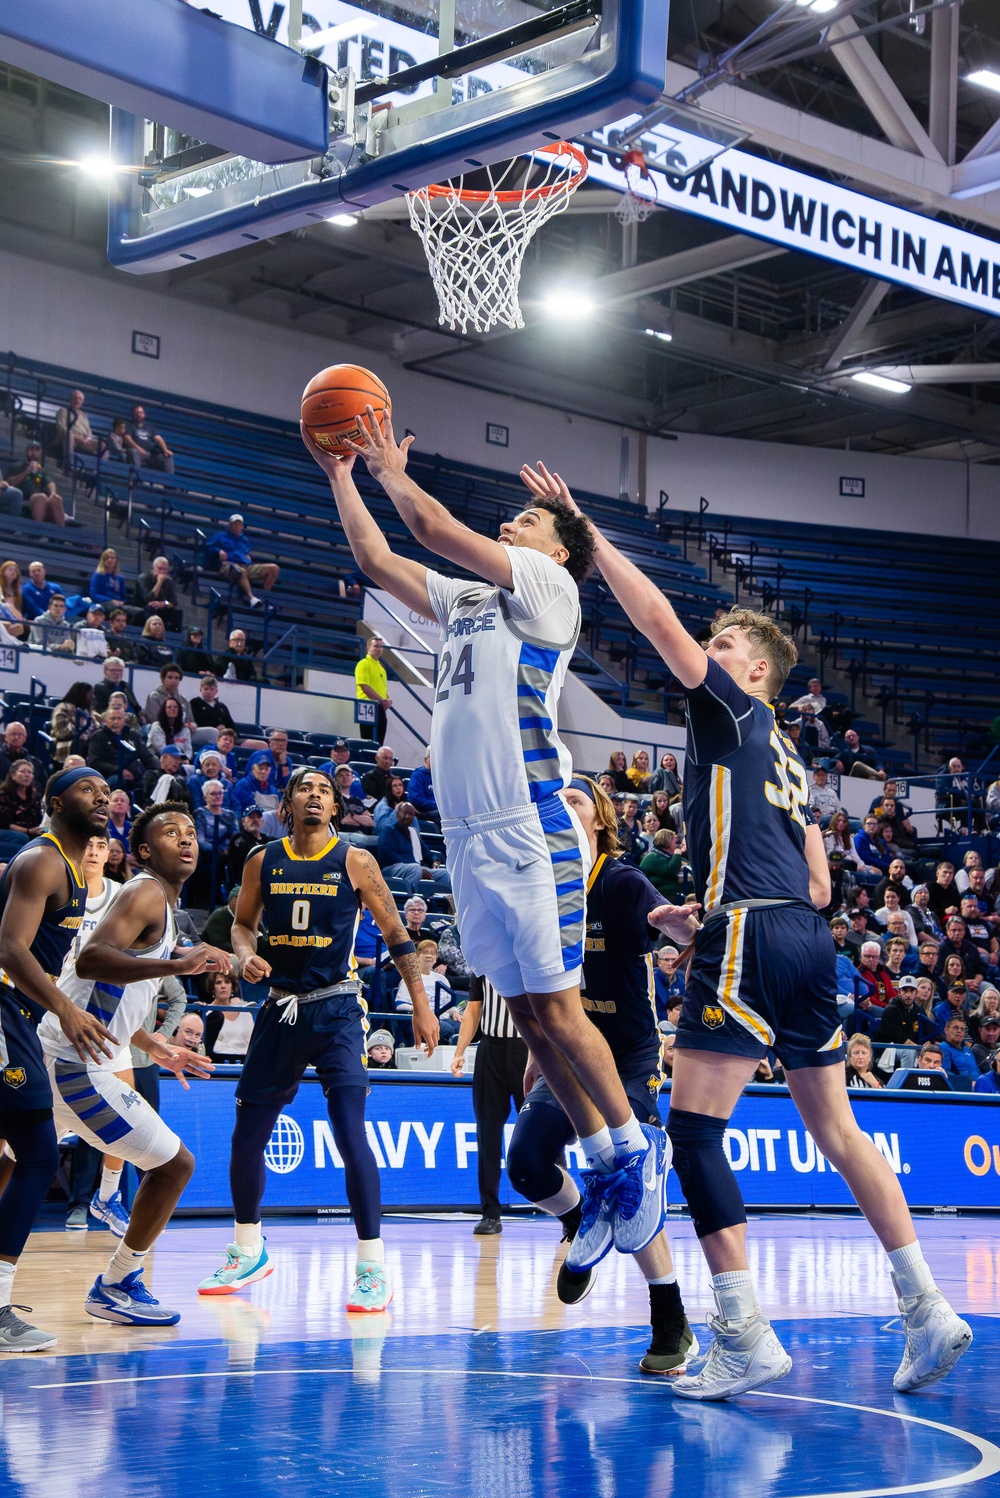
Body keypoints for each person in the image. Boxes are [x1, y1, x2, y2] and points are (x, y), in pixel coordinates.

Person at [540, 463, 971, 1399]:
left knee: (692, 1135)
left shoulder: (732, 707)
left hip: (749, 940)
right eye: (715, 638)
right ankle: (928, 1308)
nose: (709, 643)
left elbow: (654, 619)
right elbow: (817, 885)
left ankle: (742, 1333)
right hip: (807, 947)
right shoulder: (795, 758)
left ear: (759, 671)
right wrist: (723, 904)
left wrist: (586, 534)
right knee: (839, 1128)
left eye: (726, 640)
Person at [306, 417, 672, 1290]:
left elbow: (430, 528)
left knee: (558, 1004)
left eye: (531, 519)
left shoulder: (551, 589)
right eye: (514, 518)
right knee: (533, 1020)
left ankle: (628, 1157)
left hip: (525, 823)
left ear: (560, 550)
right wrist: (342, 476)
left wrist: (395, 467)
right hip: (467, 837)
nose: (515, 523)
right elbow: (379, 562)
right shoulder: (472, 601)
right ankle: (600, 1157)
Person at [198, 767, 438, 1308]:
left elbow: (398, 935)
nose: (314, 795)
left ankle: (372, 1266)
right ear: (287, 803)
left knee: (350, 1130)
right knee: (247, 1134)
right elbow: (240, 924)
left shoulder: (356, 859)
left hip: (336, 1010)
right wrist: (244, 954)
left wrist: (421, 1005)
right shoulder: (263, 859)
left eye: (325, 790)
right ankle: (247, 1248)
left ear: (335, 806)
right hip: (280, 1009)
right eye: (305, 788)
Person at [506, 776, 698, 1373]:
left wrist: (677, 927)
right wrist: (536, 1048)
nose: (563, 806)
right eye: (555, 800)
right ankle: (578, 1217)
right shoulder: (537, 888)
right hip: (564, 1060)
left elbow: (669, 926)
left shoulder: (620, 881)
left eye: (578, 800)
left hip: (627, 1059)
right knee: (526, 1165)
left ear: (600, 823)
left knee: (629, 1179)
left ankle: (670, 1316)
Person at [49, 803, 225, 1324]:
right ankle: (118, 1282)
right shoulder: (146, 890)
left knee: (13, 1161)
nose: (186, 840)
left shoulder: (164, 908)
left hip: (65, 1053)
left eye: (191, 833)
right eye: (171, 833)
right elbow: (91, 960)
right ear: (146, 851)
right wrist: (175, 965)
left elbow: (113, 990)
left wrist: (153, 1045)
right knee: (175, 1166)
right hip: (75, 1062)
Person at [0, 767, 119, 1350]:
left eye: (105, 790)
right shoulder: (42, 861)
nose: (100, 796)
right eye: (85, 788)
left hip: (18, 1013)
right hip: (2, 1006)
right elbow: (9, 947)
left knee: (19, 1153)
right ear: (54, 803)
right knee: (38, 1152)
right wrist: (66, 1013)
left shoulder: (73, 873)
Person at [451, 974, 529, 1235]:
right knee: (487, 1134)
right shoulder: (481, 963)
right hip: (490, 1050)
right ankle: (490, 1214)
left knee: (541, 1129)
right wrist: (460, 1051)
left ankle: (568, 1211)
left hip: (528, 1049)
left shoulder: (530, 951)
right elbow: (474, 1008)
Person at [377, 800, 451, 896]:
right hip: (392, 868)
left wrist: (434, 862)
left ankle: (446, 903)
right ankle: (410, 898)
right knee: (415, 869)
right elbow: (388, 855)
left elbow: (428, 854)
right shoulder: (389, 830)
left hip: (415, 868)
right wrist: (416, 868)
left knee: (445, 874)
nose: (407, 816)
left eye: (411, 814)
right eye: (405, 813)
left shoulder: (413, 833)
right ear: (398, 814)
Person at [206, 514, 279, 609]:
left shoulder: (244, 540)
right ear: (230, 525)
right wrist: (218, 550)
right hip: (228, 565)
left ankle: (265, 598)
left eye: (239, 524)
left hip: (245, 565)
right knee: (240, 571)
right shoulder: (220, 535)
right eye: (234, 524)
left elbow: (245, 553)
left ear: (242, 526)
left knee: (274, 568)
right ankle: (251, 598)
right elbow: (208, 546)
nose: (237, 526)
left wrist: (247, 558)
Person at [87, 704, 157, 792]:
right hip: (108, 777)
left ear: (124, 720)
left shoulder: (133, 735)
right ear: (105, 720)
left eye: (119, 718)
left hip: (134, 777)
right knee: (118, 780)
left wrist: (158, 771)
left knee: (152, 782)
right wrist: (119, 770)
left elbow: (146, 757)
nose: (116, 722)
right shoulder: (97, 737)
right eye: (112, 718)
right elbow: (95, 763)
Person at [192, 781, 238, 907]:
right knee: (222, 860)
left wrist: (230, 849)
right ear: (205, 797)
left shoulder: (230, 814)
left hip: (229, 852)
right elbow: (200, 841)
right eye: (213, 794)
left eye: (220, 793)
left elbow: (236, 837)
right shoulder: (200, 813)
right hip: (209, 853)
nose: (217, 796)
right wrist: (219, 851)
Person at [8, 442, 66, 525]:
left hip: (43, 496)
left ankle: (62, 533)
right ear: (27, 451)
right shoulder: (17, 466)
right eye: (31, 450)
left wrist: (53, 493)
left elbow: (50, 483)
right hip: (25, 497)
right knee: (41, 497)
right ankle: (37, 532)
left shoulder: (41, 470)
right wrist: (25, 473)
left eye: (36, 450)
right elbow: (10, 483)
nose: (34, 453)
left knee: (57, 498)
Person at [203, 973, 254, 1062]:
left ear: (232, 987)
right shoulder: (207, 1013)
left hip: (244, 1061)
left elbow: (251, 1043)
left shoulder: (246, 1014)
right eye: (218, 983)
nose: (223, 986)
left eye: (227, 982)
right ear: (212, 988)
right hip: (217, 1060)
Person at [49, 683, 97, 765]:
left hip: (89, 743)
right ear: (81, 694)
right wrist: (80, 723)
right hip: (66, 745)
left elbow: (97, 728)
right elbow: (61, 733)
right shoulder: (63, 708)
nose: (93, 697)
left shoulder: (90, 712)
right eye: (90, 694)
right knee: (81, 743)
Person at [355, 635, 391, 744]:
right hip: (368, 706)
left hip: (379, 707)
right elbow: (364, 686)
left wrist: (388, 699)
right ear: (368, 648)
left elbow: (382, 688)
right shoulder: (363, 664)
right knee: (368, 740)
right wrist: (382, 700)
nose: (379, 649)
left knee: (379, 741)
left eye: (381, 647)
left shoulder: (381, 668)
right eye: (376, 646)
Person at [137, 556, 182, 633]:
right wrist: (159, 582)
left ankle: (174, 637)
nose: (163, 572)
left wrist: (164, 603)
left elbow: (174, 602)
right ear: (153, 567)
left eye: (165, 569)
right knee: (152, 607)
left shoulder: (169, 580)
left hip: (161, 608)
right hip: (143, 606)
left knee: (178, 612)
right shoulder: (143, 578)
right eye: (160, 568)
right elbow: (149, 599)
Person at [144, 663, 194, 727]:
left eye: (177, 678)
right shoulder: (154, 696)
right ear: (162, 679)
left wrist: (192, 726)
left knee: (210, 731)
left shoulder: (184, 700)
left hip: (183, 731)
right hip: (161, 731)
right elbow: (155, 720)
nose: (173, 680)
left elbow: (192, 721)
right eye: (170, 677)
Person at [0, 761, 43, 836]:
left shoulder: (34, 796)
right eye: (22, 772)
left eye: (30, 772)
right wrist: (28, 831)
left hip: (34, 832)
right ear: (13, 775)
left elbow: (39, 819)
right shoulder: (3, 795)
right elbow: (4, 823)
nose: (27, 775)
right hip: (12, 834)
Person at [640, 828, 684, 901]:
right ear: (667, 840)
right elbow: (672, 871)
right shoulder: (652, 857)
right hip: (661, 896)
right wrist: (677, 853)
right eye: (674, 840)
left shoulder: (662, 855)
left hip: (669, 893)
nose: (677, 843)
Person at [128, 405, 174, 473]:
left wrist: (165, 450)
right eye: (136, 413)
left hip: (151, 455)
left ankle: (169, 481)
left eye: (141, 412)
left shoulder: (150, 427)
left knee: (168, 457)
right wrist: (139, 449)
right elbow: (127, 438)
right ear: (133, 414)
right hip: (138, 453)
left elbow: (158, 439)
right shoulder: (128, 425)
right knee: (133, 452)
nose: (139, 415)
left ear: (144, 414)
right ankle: (137, 476)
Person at [190, 674, 236, 742]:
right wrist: (215, 729)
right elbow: (193, 722)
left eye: (212, 689)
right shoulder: (194, 703)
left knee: (255, 744)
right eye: (206, 689)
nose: (209, 692)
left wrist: (225, 730)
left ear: (216, 691)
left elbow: (231, 726)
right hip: (202, 736)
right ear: (200, 690)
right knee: (214, 733)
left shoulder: (222, 707)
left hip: (224, 738)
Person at [233, 752, 280, 818]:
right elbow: (243, 810)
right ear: (253, 769)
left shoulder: (275, 792)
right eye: (260, 768)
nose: (263, 772)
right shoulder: (243, 785)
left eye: (266, 769)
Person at [56, 388, 99, 458]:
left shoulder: (84, 416)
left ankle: (99, 468)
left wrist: (87, 439)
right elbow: (61, 427)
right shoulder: (63, 411)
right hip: (69, 439)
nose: (77, 400)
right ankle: (69, 464)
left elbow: (89, 433)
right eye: (75, 398)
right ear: (70, 399)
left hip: (84, 442)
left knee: (103, 445)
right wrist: (76, 438)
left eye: (79, 399)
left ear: (82, 402)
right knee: (69, 436)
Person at [0, 722, 44, 790]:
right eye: (13, 734)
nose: (16, 737)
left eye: (20, 735)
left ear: (25, 738)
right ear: (5, 737)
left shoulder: (36, 763)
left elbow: (42, 785)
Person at [228, 806, 265, 884]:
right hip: (243, 884)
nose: (255, 820)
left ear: (263, 821)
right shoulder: (238, 839)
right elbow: (251, 853)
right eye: (251, 817)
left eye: (258, 817)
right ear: (243, 822)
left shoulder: (268, 839)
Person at [149, 698, 194, 763]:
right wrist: (176, 759)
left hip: (180, 760)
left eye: (175, 707)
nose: (172, 709)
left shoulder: (184, 729)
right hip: (159, 759)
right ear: (164, 710)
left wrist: (186, 758)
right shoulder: (157, 726)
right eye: (169, 707)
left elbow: (188, 750)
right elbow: (161, 749)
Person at [938, 1015, 979, 1080]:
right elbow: (945, 1074)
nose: (959, 1031)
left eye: (962, 1029)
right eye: (955, 1028)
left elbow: (977, 1071)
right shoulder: (943, 1048)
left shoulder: (968, 1050)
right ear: (946, 1030)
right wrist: (968, 1082)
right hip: (961, 1087)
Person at [0, 560, 28, 640]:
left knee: (19, 627)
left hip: (10, 615)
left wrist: (20, 617)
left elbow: (16, 608)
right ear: (3, 572)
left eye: (15, 571)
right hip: (3, 614)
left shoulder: (17, 591)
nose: (13, 572)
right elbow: (5, 605)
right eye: (10, 570)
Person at [406, 748, 437, 818]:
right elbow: (417, 800)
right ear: (426, 760)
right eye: (432, 757)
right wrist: (438, 806)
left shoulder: (440, 777)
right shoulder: (417, 776)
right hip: (423, 812)